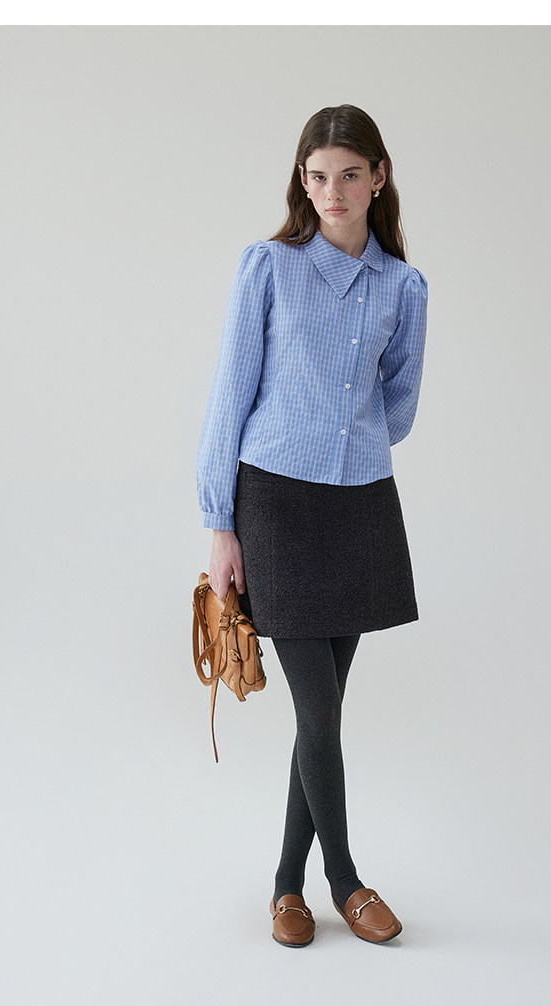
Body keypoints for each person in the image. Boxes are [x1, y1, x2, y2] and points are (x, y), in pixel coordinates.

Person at [195, 104, 428, 947]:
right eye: (319, 175)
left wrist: (345, 435)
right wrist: (221, 523)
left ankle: (286, 886)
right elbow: (229, 396)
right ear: (303, 180)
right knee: (320, 713)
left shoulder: (403, 288)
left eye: (350, 175)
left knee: (317, 717)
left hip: (360, 506)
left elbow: (399, 406)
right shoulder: (269, 267)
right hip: (276, 508)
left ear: (378, 178)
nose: (333, 191)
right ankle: (346, 881)